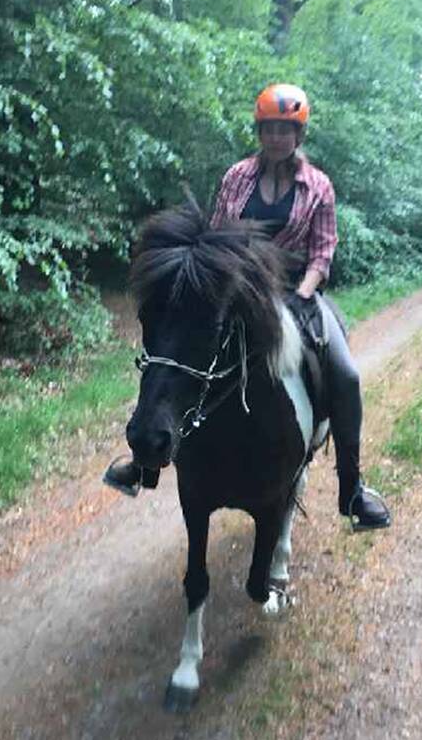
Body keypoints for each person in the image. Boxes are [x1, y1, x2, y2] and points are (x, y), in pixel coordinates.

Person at [103, 83, 390, 531]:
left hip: (297, 293)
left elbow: (322, 251)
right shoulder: (237, 176)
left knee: (346, 374)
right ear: (259, 132)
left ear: (299, 135)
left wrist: (305, 291)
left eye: (286, 130)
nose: (277, 138)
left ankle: (351, 490)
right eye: (269, 129)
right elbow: (215, 238)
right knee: (177, 351)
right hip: (236, 291)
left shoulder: (318, 186)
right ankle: (145, 462)